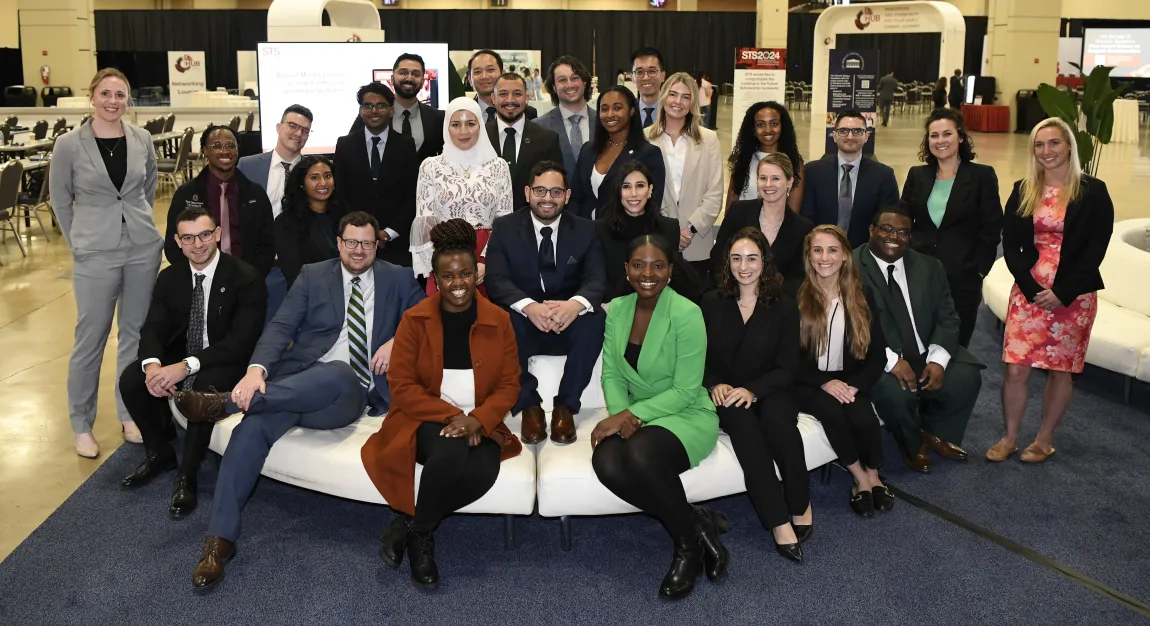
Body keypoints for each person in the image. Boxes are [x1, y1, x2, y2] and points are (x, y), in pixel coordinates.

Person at [174, 211, 424, 590]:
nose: (358, 250)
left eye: (367, 243)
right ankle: (219, 541)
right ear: (338, 243)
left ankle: (223, 403)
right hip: (295, 387)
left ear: (377, 245)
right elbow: (281, 326)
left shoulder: (398, 277)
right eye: (351, 242)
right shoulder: (313, 275)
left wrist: (397, 340)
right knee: (251, 429)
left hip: (349, 395)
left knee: (337, 372)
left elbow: (426, 318)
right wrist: (256, 370)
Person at [362, 218, 522, 590]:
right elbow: (401, 387)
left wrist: (479, 419)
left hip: (481, 421)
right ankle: (424, 545)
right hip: (422, 418)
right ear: (435, 278)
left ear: (476, 274)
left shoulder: (498, 320)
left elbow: (510, 384)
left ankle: (414, 527)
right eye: (448, 276)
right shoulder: (414, 320)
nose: (458, 284)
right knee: (451, 452)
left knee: (483, 469)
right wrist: (454, 417)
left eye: (465, 273)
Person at [592, 234, 727, 599]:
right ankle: (695, 521)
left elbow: (686, 389)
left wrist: (630, 415)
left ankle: (687, 547)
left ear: (670, 271)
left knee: (639, 454)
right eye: (638, 265)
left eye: (657, 265)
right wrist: (621, 415)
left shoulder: (687, 312)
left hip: (686, 414)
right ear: (626, 269)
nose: (647, 273)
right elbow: (611, 373)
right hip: (639, 416)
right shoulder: (617, 308)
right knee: (605, 461)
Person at [118, 208, 266, 518]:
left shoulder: (246, 278)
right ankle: (159, 452)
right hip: (184, 353)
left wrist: (185, 366)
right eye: (188, 237)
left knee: (202, 388)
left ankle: (188, 474)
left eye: (204, 235)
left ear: (217, 234)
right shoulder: (170, 277)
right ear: (177, 241)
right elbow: (153, 328)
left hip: (227, 359)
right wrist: (153, 367)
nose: (197, 244)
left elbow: (240, 343)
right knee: (132, 379)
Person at [50, 68, 164, 458]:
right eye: (106, 94)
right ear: (92, 96)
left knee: (134, 336)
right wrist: (79, 240)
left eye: (120, 95)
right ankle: (81, 423)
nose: (113, 101)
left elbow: (147, 188)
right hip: (94, 252)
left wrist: (136, 222)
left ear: (127, 100)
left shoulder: (142, 138)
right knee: (91, 337)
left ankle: (129, 413)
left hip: (142, 247)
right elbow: (61, 201)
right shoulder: (68, 144)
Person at [993, 118, 1114, 463]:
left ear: (1069, 146)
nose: (1047, 151)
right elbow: (1011, 244)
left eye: (1054, 143)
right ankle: (1010, 436)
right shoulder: (1023, 188)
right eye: (1039, 144)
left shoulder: (1093, 191)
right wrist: (1031, 288)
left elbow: (1096, 250)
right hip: (1029, 292)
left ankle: (1044, 439)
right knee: (1016, 368)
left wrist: (1063, 291)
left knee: (1061, 369)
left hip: (1073, 296)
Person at [703, 228, 810, 557]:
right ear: (728, 262)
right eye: (737, 258)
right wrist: (713, 383)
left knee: (780, 424)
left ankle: (800, 502)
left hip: (770, 386)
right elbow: (696, 357)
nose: (744, 266)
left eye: (752, 258)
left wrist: (754, 390)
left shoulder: (784, 306)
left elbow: (788, 367)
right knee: (746, 431)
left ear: (764, 262)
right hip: (727, 394)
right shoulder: (711, 302)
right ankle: (778, 521)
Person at [854, 204, 985, 473]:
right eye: (886, 229)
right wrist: (889, 361)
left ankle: (933, 432)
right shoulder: (851, 268)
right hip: (878, 354)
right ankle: (911, 444)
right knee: (896, 394)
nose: (894, 237)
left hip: (924, 348)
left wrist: (937, 360)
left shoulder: (929, 266)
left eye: (903, 232)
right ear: (871, 230)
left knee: (965, 377)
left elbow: (948, 317)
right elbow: (852, 326)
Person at [485, 161, 607, 445]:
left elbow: (597, 279)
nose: (547, 198)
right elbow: (496, 279)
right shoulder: (505, 227)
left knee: (596, 317)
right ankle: (529, 405)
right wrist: (529, 306)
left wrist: (574, 306)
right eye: (540, 190)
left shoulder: (586, 229)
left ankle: (566, 406)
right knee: (501, 317)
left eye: (555, 191)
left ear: (566, 195)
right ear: (527, 193)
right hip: (525, 323)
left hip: (568, 322)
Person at [794, 225, 891, 516]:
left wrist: (855, 385)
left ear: (845, 256)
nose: (825, 258)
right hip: (807, 383)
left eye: (833, 250)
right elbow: (787, 359)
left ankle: (873, 473)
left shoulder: (863, 297)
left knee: (863, 418)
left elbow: (877, 356)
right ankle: (860, 478)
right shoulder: (794, 297)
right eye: (818, 250)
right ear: (809, 257)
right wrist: (825, 384)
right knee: (833, 413)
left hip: (849, 380)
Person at [901, 109, 1003, 347]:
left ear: (960, 137)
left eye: (947, 134)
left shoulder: (981, 176)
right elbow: (903, 220)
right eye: (934, 135)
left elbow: (992, 225)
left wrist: (980, 269)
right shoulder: (917, 175)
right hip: (920, 272)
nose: (940, 141)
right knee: (917, 337)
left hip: (963, 274)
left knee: (955, 341)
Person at [410, 97, 513, 292]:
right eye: (456, 124)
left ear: (480, 126)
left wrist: (487, 262)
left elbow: (505, 221)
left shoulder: (498, 166)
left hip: (486, 260)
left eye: (470, 123)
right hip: (443, 259)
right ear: (446, 128)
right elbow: (425, 222)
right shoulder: (431, 166)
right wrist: (444, 267)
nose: (463, 131)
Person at [165, 125, 275, 278]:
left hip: (245, 278)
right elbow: (172, 244)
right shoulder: (187, 194)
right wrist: (195, 275)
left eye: (231, 145)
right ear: (204, 151)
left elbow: (268, 243)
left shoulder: (255, 194)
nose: (225, 151)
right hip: (200, 278)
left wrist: (253, 275)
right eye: (217, 146)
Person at [237, 104, 313, 324]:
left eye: (305, 130)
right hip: (257, 269)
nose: (298, 133)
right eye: (293, 126)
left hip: (300, 270)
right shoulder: (247, 166)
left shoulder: (314, 172)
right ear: (278, 127)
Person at [647, 72, 724, 286]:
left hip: (696, 243)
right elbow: (642, 196)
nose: (678, 102)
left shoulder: (708, 139)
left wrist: (689, 229)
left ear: (693, 103)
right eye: (672, 94)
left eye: (686, 97)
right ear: (663, 97)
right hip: (656, 242)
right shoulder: (645, 139)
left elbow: (715, 193)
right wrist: (668, 233)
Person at [334, 82, 418, 268]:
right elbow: (340, 193)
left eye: (380, 105)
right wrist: (358, 233)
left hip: (396, 243)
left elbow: (412, 194)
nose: (374, 111)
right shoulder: (345, 145)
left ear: (391, 110)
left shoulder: (406, 144)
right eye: (368, 106)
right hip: (354, 244)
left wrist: (389, 232)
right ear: (361, 111)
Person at [713, 154, 814, 295]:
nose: (768, 184)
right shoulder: (738, 212)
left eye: (775, 178)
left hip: (779, 307)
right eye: (763, 178)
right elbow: (719, 258)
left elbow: (799, 278)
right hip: (734, 299)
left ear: (790, 182)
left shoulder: (803, 228)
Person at [802, 110, 899, 248]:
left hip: (864, 254)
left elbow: (887, 223)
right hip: (821, 252)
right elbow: (807, 218)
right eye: (843, 131)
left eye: (857, 131)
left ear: (866, 136)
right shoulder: (813, 172)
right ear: (834, 136)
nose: (850, 136)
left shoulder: (884, 176)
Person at [569, 86, 665, 220]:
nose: (609, 114)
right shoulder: (588, 150)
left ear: (631, 111)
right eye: (604, 109)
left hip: (626, 236)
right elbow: (575, 198)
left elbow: (652, 206)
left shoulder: (649, 153)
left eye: (617, 108)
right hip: (586, 234)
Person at [595, 161, 683, 302]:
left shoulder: (669, 228)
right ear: (618, 192)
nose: (633, 194)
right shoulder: (600, 230)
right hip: (614, 307)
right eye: (626, 187)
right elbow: (598, 280)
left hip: (658, 307)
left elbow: (674, 279)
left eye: (640, 186)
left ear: (650, 190)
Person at [487, 72, 564, 210]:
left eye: (517, 94)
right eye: (503, 94)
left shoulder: (547, 139)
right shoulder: (480, 137)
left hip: (531, 222)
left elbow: (555, 186)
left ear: (527, 98)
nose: (510, 100)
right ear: (493, 98)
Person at [275, 155, 348, 288]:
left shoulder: (346, 216)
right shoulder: (286, 222)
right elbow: (294, 273)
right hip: (311, 296)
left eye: (327, 176)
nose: (323, 183)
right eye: (314, 177)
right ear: (301, 184)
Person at [726, 101, 804, 213]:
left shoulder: (794, 163)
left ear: (783, 126)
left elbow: (793, 211)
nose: (768, 130)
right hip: (743, 228)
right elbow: (731, 206)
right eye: (760, 125)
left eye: (774, 124)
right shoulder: (743, 160)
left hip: (778, 229)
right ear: (753, 129)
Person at [534, 55, 597, 181]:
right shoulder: (538, 127)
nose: (569, 84)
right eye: (562, 80)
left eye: (574, 78)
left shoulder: (603, 122)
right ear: (553, 87)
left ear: (584, 82)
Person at [390, 53, 445, 164]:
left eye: (415, 74)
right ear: (392, 78)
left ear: (423, 81)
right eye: (403, 73)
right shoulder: (377, 114)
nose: (409, 78)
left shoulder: (438, 118)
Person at [468, 49, 537, 125]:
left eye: (490, 70)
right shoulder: (463, 112)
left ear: (502, 74)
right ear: (470, 79)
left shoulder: (528, 113)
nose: (484, 76)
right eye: (477, 72)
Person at [631, 47, 666, 128]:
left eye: (652, 71)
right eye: (639, 72)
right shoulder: (627, 114)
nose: (646, 77)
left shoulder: (675, 112)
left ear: (662, 76)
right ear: (632, 77)